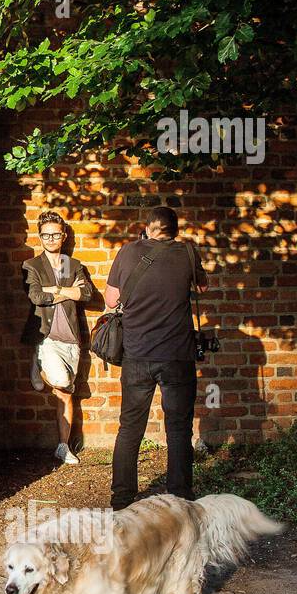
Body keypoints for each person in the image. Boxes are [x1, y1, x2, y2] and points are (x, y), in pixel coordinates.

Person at [104, 205, 208, 510]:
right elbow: (202, 287)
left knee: (130, 427)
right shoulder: (188, 253)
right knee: (178, 428)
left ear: (147, 227)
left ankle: (122, 498)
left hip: (137, 354)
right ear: (175, 231)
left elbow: (111, 300)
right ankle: (180, 496)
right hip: (178, 354)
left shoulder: (127, 252)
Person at [22, 210, 93, 466]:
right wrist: (69, 291)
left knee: (65, 393)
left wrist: (56, 290)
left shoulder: (74, 265)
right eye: (45, 235)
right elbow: (36, 297)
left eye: (55, 234)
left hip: (71, 339)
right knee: (61, 381)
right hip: (46, 336)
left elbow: (86, 294)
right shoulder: (32, 265)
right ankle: (38, 360)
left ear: (63, 236)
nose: (50, 239)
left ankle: (63, 447)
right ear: (40, 237)